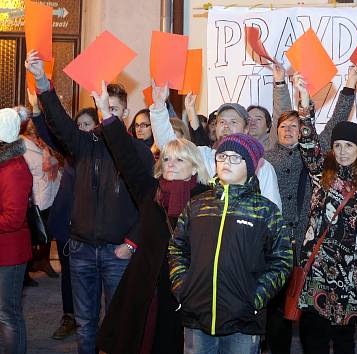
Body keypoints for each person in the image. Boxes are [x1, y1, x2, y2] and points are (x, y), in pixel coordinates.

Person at [26, 50, 154, 354]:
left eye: (114, 107)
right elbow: (57, 121)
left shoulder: (138, 152)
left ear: (124, 113)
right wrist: (43, 80)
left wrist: (132, 244)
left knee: (118, 323)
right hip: (81, 250)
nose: (106, 111)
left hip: (117, 252)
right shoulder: (84, 144)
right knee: (85, 324)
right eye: (102, 105)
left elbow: (150, 202)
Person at [95, 84, 211, 354]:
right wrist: (107, 116)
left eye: (179, 159)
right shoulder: (151, 192)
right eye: (167, 158)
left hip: (186, 292)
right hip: (146, 288)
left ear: (194, 165)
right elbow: (125, 157)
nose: (170, 162)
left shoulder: (208, 198)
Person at [263, 62, 357, 354]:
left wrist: (349, 85)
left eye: (295, 126)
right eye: (283, 126)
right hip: (277, 242)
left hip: (311, 247)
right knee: (278, 310)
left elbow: (336, 121)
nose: (288, 130)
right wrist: (280, 84)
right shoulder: (268, 155)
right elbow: (282, 112)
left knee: (309, 314)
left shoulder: (317, 155)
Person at [167, 133, 292, 354]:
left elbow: (282, 259)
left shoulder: (264, 210)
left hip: (243, 318)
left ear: (251, 165)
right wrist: (182, 287)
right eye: (222, 156)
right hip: (197, 313)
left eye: (236, 157)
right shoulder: (197, 205)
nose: (226, 162)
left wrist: (257, 296)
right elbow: (177, 248)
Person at [293, 73, 357, 354]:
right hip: (318, 269)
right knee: (313, 337)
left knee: (343, 341)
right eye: (337, 145)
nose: (341, 151)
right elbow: (308, 142)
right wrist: (304, 102)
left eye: (348, 146)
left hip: (349, 275)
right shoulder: (321, 173)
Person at [28, 94, 98, 339]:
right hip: (67, 224)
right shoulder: (69, 150)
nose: (82, 129)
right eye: (79, 125)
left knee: (92, 277)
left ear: (97, 127)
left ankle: (93, 320)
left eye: (87, 124)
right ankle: (69, 317)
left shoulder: (102, 154)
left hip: (92, 226)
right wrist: (37, 111)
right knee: (69, 273)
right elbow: (49, 135)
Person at [150, 82, 282, 209]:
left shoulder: (262, 167)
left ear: (246, 128)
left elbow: (272, 212)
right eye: (222, 122)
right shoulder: (203, 155)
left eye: (233, 122)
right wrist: (159, 106)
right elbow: (169, 147)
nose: (226, 126)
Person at [0, 108, 32, 354]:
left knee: (7, 314)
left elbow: (13, 218)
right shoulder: (5, 164)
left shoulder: (14, 169)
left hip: (9, 254)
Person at [21, 119, 63, 278]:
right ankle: (25, 271)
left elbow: (54, 166)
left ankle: (43, 261)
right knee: (34, 235)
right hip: (37, 197)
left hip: (52, 193)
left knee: (49, 233)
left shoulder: (42, 143)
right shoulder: (22, 146)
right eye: (31, 124)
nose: (34, 127)